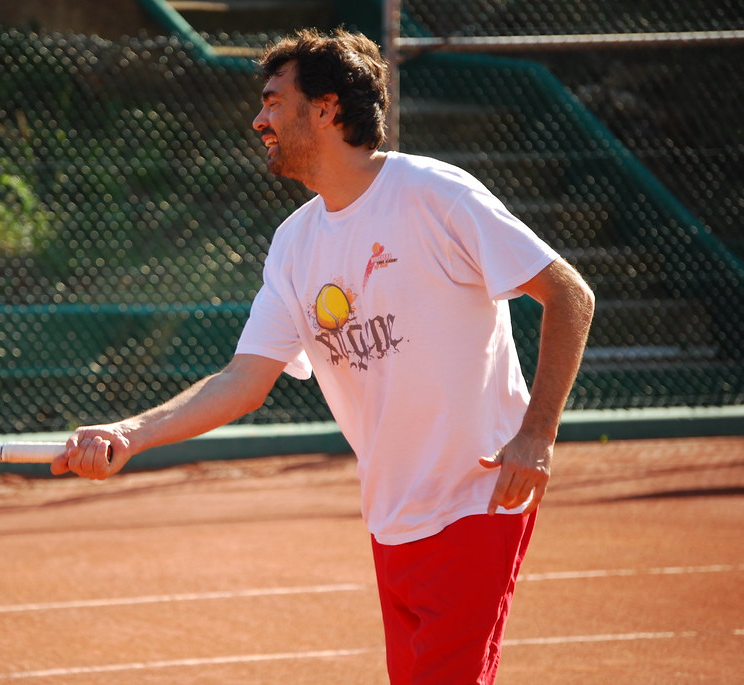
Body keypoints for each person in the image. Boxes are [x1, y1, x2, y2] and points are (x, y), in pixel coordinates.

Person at [53, 28, 595, 684]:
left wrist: (536, 434)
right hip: (391, 515)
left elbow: (569, 294)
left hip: (476, 499)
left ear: (326, 109)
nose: (259, 121)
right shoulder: (294, 243)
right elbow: (243, 379)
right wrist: (129, 433)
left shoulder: (433, 193)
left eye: (273, 102)